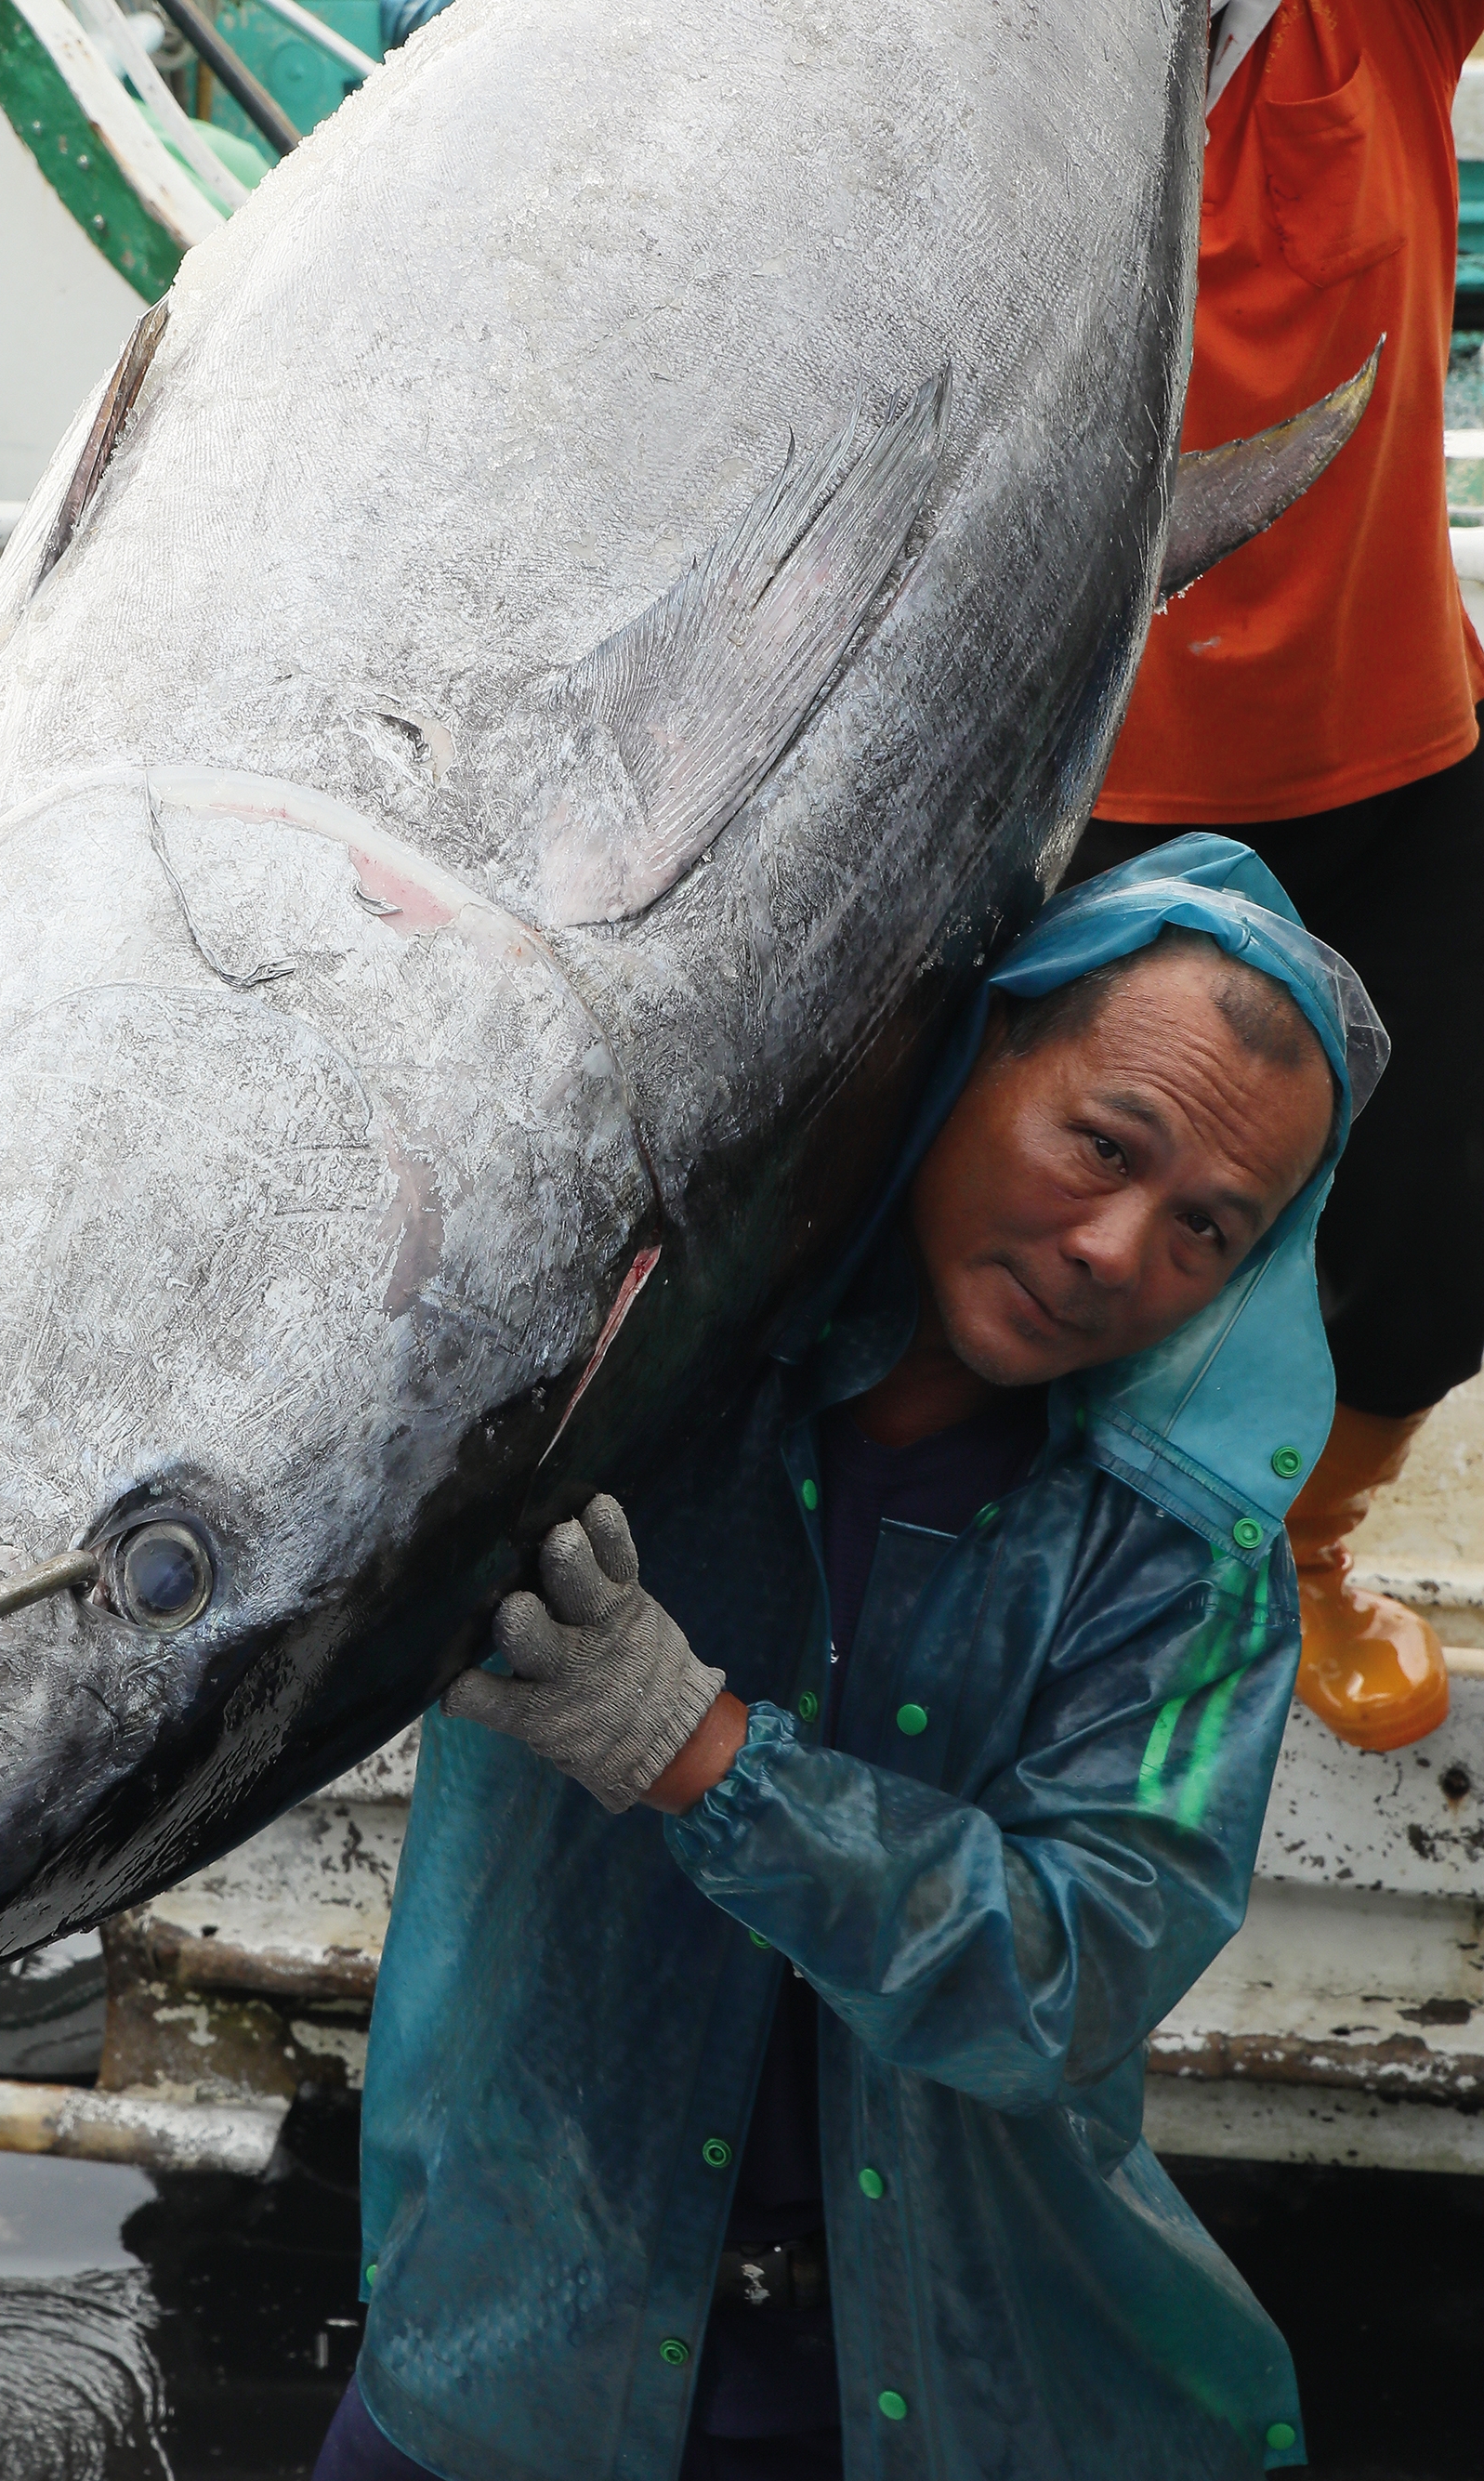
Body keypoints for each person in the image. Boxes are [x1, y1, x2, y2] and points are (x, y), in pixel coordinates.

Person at [312, 838, 1386, 2481]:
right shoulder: (632, 1361)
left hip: (955, 2386)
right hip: (510, 2339)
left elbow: (1071, 1970)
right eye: (1104, 1144)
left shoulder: (1184, 1568)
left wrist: (701, 1754)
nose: (1116, 1248)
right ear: (978, 1049)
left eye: (1207, 1228)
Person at [1071, 0, 1484, 1752]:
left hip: (1403, 758)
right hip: (1083, 796)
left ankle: (1305, 1543)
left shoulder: (1374, 25)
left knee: (1440, 1228)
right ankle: (1053, 1568)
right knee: (1066, 1230)